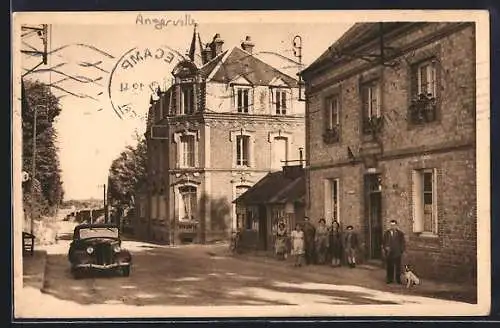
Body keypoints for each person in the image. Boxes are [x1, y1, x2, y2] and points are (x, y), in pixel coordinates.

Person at [383, 219, 406, 284]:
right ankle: (389, 279)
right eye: (391, 225)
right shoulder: (386, 233)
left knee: (398, 266)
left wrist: (401, 250)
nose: (392, 227)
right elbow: (384, 242)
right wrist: (386, 248)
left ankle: (398, 279)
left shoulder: (400, 234)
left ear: (396, 225)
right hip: (389, 252)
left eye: (394, 225)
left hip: (397, 252)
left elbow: (402, 243)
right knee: (390, 266)